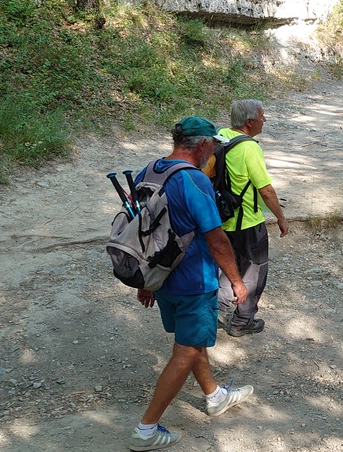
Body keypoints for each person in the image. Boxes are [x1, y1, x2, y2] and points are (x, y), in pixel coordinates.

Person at [129, 116, 255, 451]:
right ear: (202, 144)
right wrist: (237, 281)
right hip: (194, 282)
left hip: (162, 279)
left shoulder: (149, 171)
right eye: (213, 145)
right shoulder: (195, 181)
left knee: (190, 340)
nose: (213, 150)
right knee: (186, 351)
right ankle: (146, 430)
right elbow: (217, 241)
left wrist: (146, 281)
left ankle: (214, 396)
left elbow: (142, 231)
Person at [215, 99, 290, 337]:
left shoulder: (221, 137)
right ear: (249, 122)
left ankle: (215, 310)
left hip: (221, 219)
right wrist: (280, 217)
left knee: (229, 267)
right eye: (262, 115)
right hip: (247, 222)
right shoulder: (249, 148)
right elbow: (265, 190)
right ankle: (242, 322)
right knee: (254, 273)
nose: (264, 120)